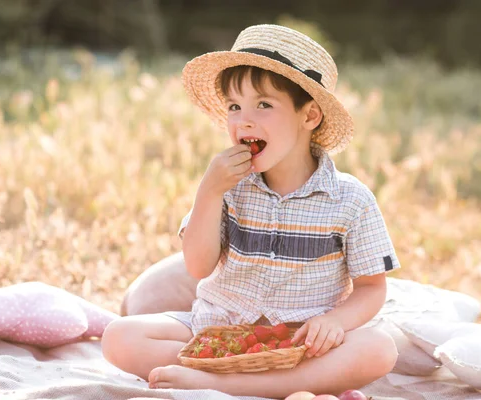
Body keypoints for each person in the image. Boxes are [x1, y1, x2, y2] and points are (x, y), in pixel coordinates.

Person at [102, 24, 400, 397]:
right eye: (234, 106)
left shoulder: (351, 199)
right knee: (118, 337)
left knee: (379, 348)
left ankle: (219, 384)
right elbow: (198, 267)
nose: (244, 119)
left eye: (263, 105)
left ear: (309, 117)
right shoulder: (227, 187)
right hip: (216, 333)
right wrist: (208, 193)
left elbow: (372, 287)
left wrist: (335, 321)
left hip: (300, 344)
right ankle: (269, 387)